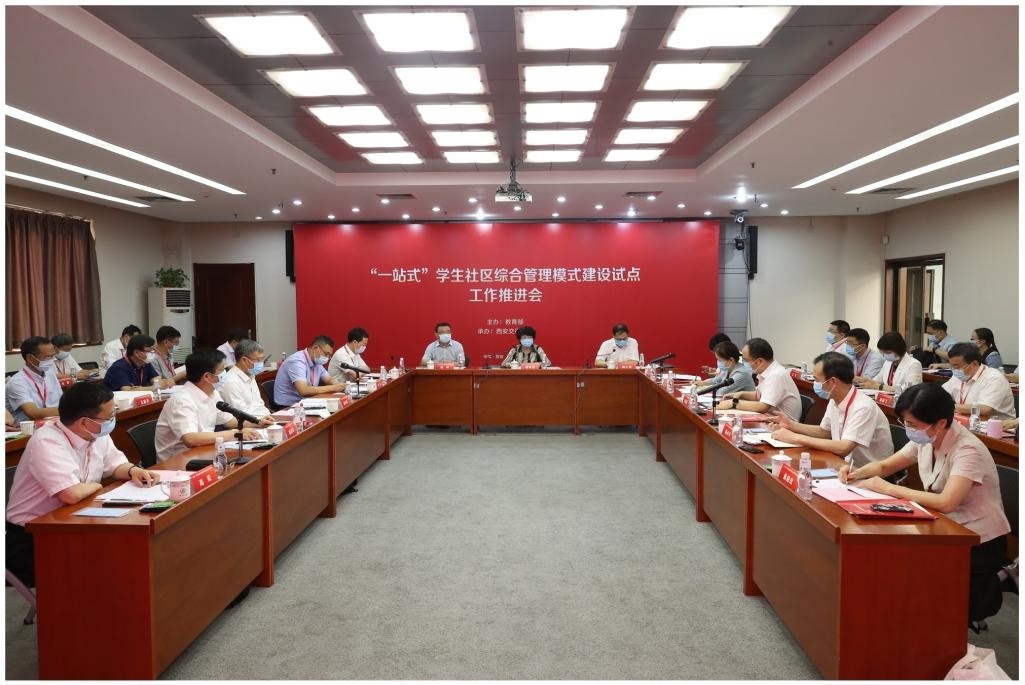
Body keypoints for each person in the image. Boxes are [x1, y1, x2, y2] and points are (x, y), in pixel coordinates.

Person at [839, 383, 1010, 623]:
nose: (909, 429)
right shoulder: (926, 436)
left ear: (940, 423)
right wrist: (857, 473)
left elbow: (947, 502)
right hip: (943, 525)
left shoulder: (968, 449)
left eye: (913, 424)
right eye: (905, 423)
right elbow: (886, 466)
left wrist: (888, 488)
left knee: (913, 572)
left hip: (977, 539)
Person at [6, 383, 161, 587]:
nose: (113, 419)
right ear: (85, 422)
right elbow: (71, 494)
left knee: (128, 550)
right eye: (109, 416)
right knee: (111, 561)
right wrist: (97, 486)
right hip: (33, 537)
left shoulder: (96, 433)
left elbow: (115, 465)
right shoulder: (47, 441)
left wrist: (133, 471)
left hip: (76, 520)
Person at [770, 352, 892, 467]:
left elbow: (843, 448)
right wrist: (790, 425)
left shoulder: (864, 407)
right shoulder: (835, 399)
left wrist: (795, 437)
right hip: (842, 464)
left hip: (868, 472)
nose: (815, 384)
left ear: (833, 382)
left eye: (817, 380)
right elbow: (824, 432)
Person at [154, 348, 263, 462]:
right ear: (207, 376)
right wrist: (235, 434)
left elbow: (230, 422)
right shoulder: (181, 400)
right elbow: (190, 439)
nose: (225, 374)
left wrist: (258, 422)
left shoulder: (213, 392)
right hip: (178, 463)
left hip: (202, 453)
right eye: (222, 370)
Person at [718, 337, 801, 420]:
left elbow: (763, 406)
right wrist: (741, 394)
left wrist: (733, 403)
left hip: (783, 424)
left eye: (746, 360)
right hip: (770, 419)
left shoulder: (776, 375)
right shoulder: (768, 372)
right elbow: (760, 396)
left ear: (759, 361)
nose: (744, 363)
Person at [941, 343, 1016, 420]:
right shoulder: (957, 376)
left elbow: (984, 409)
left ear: (974, 363)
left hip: (998, 425)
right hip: (966, 420)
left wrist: (949, 407)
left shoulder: (994, 378)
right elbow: (940, 394)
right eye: (952, 366)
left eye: (957, 366)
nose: (955, 370)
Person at [275, 335, 349, 407]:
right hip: (287, 406)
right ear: (315, 348)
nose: (327, 358)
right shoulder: (297, 361)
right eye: (326, 354)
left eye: (329, 355)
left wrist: (338, 384)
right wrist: (333, 387)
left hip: (306, 402)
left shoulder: (317, 361)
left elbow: (329, 379)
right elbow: (303, 390)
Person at [6, 336, 62, 423]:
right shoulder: (16, 382)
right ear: (30, 358)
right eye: (48, 357)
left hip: (54, 421)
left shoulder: (50, 373)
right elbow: (33, 413)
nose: (52, 360)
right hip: (29, 428)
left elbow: (61, 400)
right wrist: (69, 410)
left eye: (53, 356)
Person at [219, 339, 276, 421]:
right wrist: (262, 420)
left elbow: (259, 404)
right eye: (258, 360)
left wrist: (270, 417)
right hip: (247, 424)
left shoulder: (251, 375)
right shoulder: (230, 382)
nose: (261, 363)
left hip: (261, 420)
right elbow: (241, 414)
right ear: (244, 360)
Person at [857, 331, 923, 391]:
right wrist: (867, 381)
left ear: (899, 350)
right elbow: (878, 380)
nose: (884, 355)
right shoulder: (888, 362)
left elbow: (909, 389)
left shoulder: (914, 364)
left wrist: (880, 387)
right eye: (882, 352)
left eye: (888, 352)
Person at [103, 334, 171, 391]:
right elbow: (127, 391)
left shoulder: (145, 363)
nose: (152, 353)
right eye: (149, 351)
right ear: (136, 353)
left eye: (153, 350)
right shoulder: (118, 367)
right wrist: (154, 387)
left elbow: (156, 378)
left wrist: (163, 383)